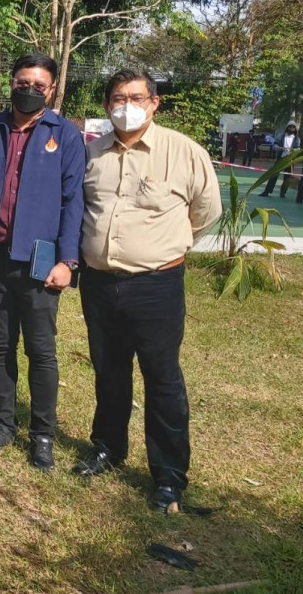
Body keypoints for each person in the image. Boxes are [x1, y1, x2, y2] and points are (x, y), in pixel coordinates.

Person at [73, 69, 222, 513]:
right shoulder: (92, 154)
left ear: (154, 103)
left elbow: (206, 212)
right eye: (118, 99)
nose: (127, 106)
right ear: (106, 106)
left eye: (136, 98)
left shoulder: (183, 152)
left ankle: (169, 475)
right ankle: (108, 448)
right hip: (100, 283)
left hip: (156, 284)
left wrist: (165, 247)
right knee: (108, 370)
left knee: (162, 377)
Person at [0, 53, 85, 470]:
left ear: (51, 90)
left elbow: (74, 202)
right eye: (23, 82)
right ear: (11, 83)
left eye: (39, 85)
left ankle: (42, 435)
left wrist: (67, 261)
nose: (29, 90)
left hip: (40, 261)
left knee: (41, 351)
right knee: (0, 346)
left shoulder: (65, 135)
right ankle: (3, 425)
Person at [260, 122, 300, 197]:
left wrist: (293, 150)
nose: (291, 129)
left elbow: (298, 149)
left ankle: (283, 193)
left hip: (290, 160)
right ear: (287, 128)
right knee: (273, 175)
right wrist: (281, 148)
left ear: (295, 129)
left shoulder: (297, 139)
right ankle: (267, 191)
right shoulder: (281, 136)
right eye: (290, 127)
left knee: (287, 177)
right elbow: (274, 146)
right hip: (280, 158)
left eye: (293, 127)